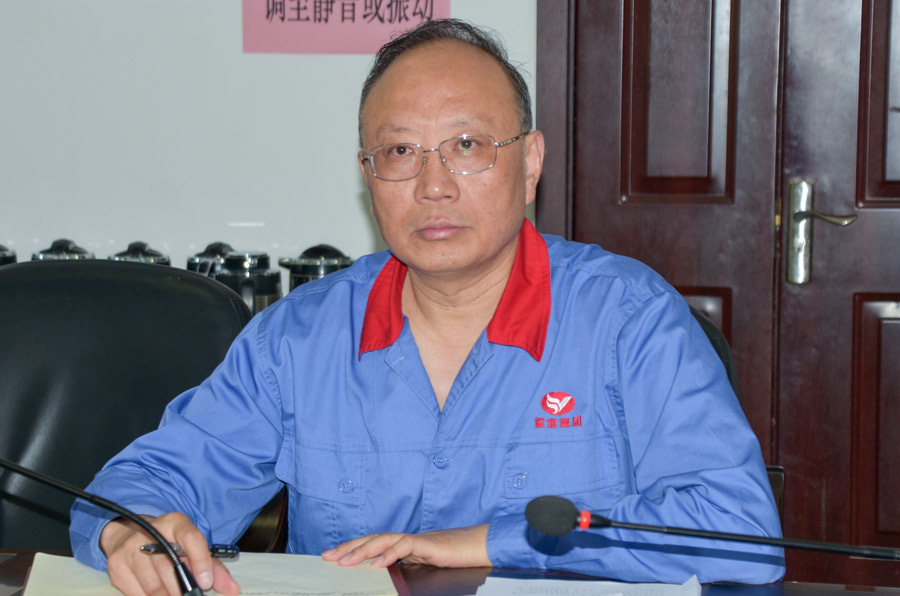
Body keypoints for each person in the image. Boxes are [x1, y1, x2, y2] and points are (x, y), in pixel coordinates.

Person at [70, 18, 785, 596]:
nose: (433, 185)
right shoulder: (300, 338)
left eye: (467, 146)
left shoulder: (629, 320)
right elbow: (147, 483)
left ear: (531, 163)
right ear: (368, 175)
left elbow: (739, 532)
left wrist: (491, 542)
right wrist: (127, 531)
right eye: (400, 152)